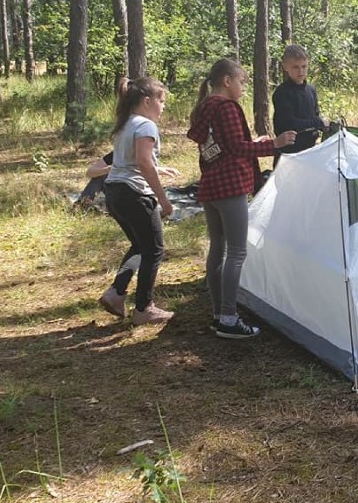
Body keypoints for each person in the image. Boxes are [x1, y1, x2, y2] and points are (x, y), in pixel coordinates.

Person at [187, 58, 296, 339]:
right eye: (241, 81)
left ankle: (217, 312)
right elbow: (236, 148)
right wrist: (275, 144)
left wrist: (253, 144)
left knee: (218, 248)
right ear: (227, 81)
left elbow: (219, 147)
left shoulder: (205, 107)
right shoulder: (226, 108)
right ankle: (228, 317)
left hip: (211, 184)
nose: (243, 87)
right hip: (230, 185)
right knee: (237, 252)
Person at [99, 77, 181, 325]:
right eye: (161, 101)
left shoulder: (126, 123)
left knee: (140, 245)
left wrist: (160, 168)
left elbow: (130, 160)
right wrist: (163, 199)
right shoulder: (146, 125)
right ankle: (144, 309)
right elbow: (144, 163)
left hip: (114, 191)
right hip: (135, 195)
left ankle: (116, 293)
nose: (163, 107)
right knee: (154, 249)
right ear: (147, 101)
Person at [272, 44, 329, 167]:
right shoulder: (282, 93)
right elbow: (289, 123)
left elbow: (315, 114)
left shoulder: (311, 90)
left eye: (304, 66)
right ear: (285, 67)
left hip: (310, 151)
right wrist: (318, 123)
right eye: (296, 67)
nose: (301, 71)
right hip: (289, 153)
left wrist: (324, 126)